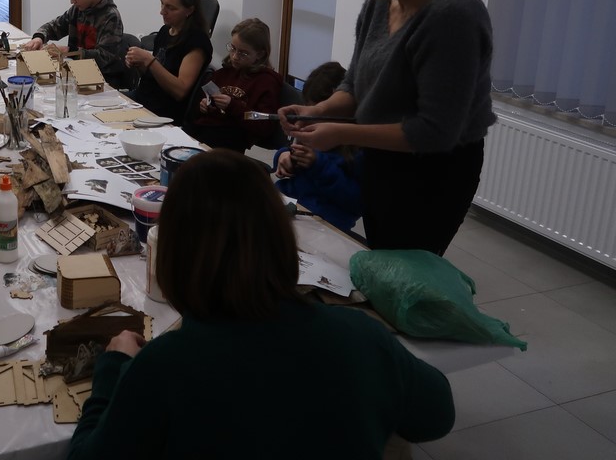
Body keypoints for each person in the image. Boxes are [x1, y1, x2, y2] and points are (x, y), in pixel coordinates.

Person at [67, 150, 455, 459]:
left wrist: (113, 369)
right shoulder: (361, 336)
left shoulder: (164, 366)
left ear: (173, 256)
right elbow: (437, 417)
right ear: (282, 240)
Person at [279, 0, 494, 255]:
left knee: (404, 265)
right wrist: (319, 111)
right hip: (382, 158)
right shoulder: (381, 1)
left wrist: (341, 132)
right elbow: (356, 83)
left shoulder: (451, 17)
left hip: (433, 174)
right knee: (381, 253)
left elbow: (434, 131)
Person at [273, 62, 364, 232]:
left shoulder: (359, 149)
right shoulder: (311, 130)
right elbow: (291, 150)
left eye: (320, 114)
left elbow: (356, 203)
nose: (312, 121)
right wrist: (284, 157)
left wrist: (318, 165)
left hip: (325, 224)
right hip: (291, 205)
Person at [184, 17, 282, 152]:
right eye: (232, 48)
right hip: (204, 131)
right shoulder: (223, 73)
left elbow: (264, 124)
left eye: (243, 53)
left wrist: (233, 106)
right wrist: (204, 106)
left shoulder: (266, 82)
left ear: (259, 54)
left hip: (229, 141)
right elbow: (198, 110)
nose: (235, 56)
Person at [22, 0, 128, 88]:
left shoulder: (110, 17)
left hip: (102, 81)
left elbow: (104, 58)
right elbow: (54, 26)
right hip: (77, 74)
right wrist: (39, 37)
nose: (72, 1)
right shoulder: (77, 10)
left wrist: (69, 51)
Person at [124, 0, 212, 123]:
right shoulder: (165, 31)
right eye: (162, 4)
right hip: (143, 98)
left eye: (171, 8)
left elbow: (180, 91)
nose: (162, 12)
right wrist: (139, 63)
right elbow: (155, 75)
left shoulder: (197, 42)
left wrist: (149, 60)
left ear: (189, 10)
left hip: (163, 110)